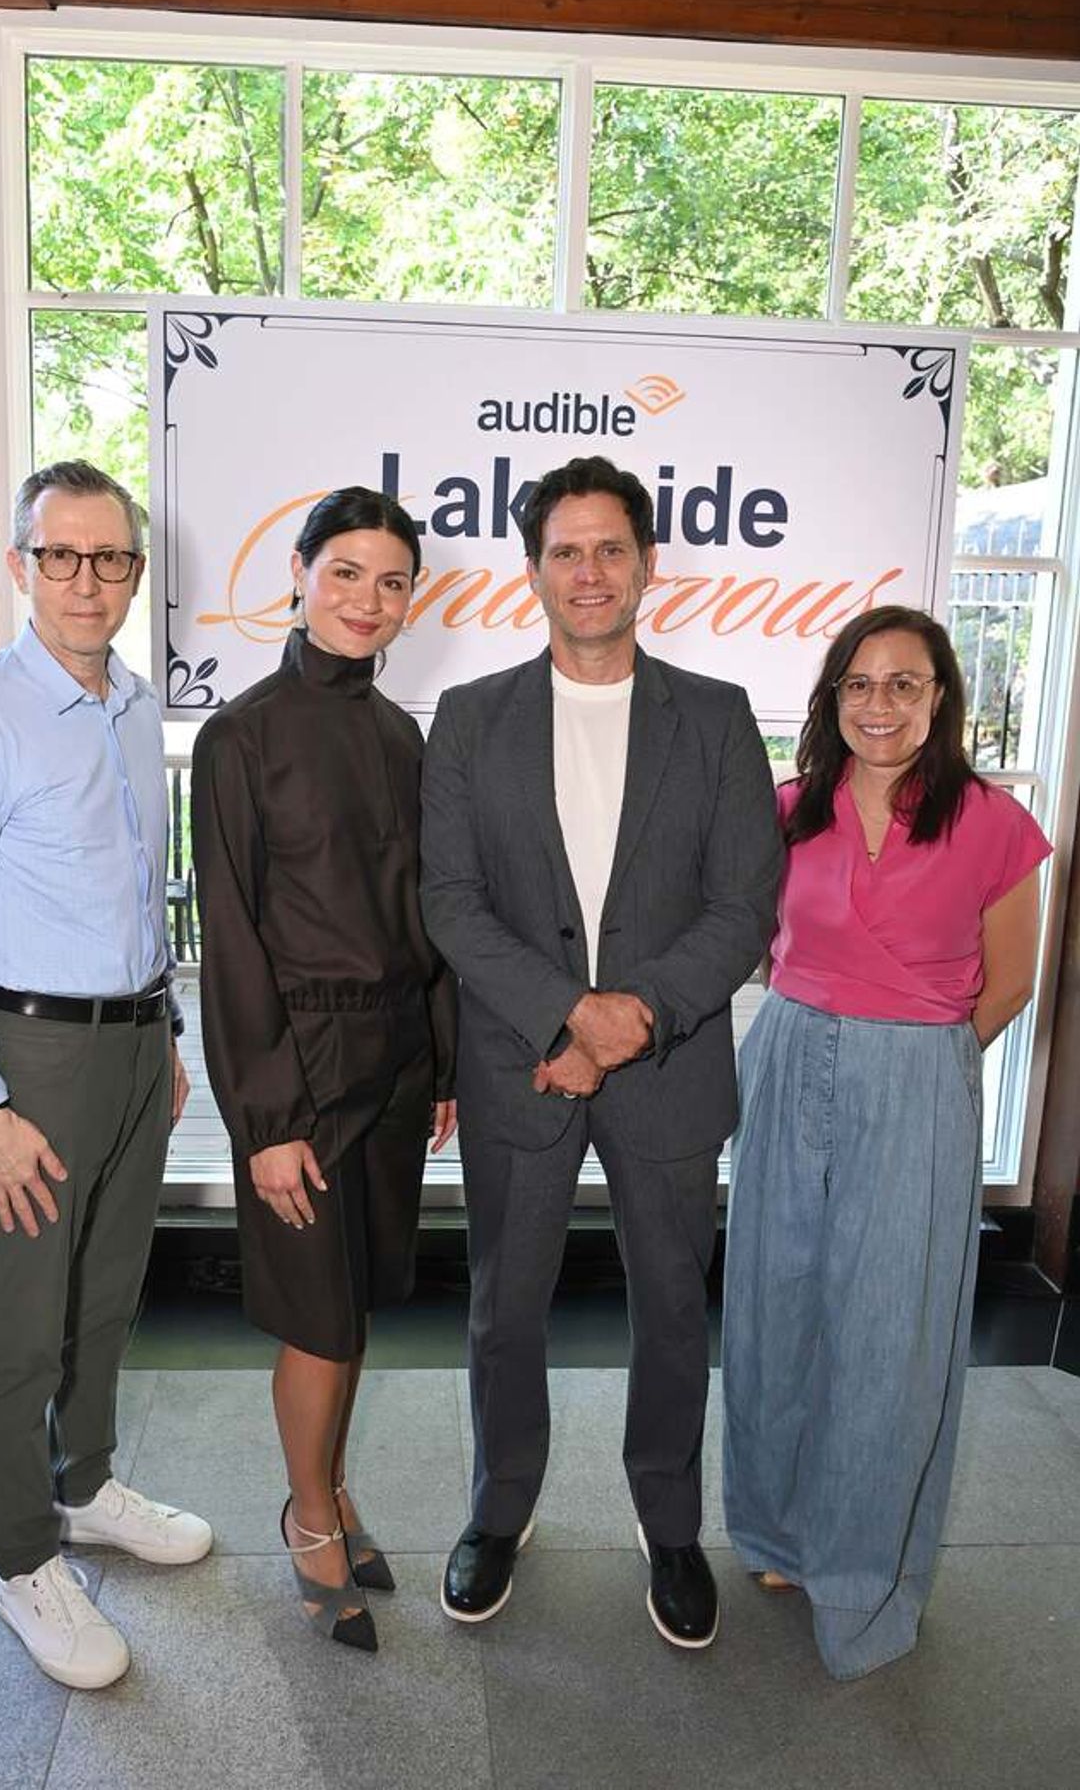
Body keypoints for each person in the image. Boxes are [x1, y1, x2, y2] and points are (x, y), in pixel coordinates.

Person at [420, 455, 781, 1648]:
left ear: (646, 566)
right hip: (523, 1063)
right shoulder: (471, 718)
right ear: (533, 571)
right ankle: (497, 1509)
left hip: (670, 1072)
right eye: (565, 551)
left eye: (610, 549)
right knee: (502, 1311)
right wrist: (574, 1015)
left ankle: (669, 1522)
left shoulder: (718, 715)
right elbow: (452, 902)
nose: (589, 571)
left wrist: (634, 1017)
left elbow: (743, 903)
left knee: (675, 1306)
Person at [0, 460, 213, 1692]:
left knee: (107, 1293)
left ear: (136, 571)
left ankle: (82, 1487)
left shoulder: (136, 706)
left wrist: (170, 1035)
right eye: (63, 556)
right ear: (21, 564)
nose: (89, 581)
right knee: (21, 1327)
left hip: (137, 1043)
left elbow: (142, 893)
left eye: (112, 558)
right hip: (27, 1056)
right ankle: (21, 1558)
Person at [721, 605, 1051, 1680]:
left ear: (941, 699)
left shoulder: (994, 823)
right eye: (859, 685)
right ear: (832, 700)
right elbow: (764, 952)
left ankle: (862, 1566)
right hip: (789, 1057)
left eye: (905, 685)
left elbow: (1009, 983)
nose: (880, 706)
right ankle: (775, 1532)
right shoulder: (783, 811)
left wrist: (918, 1066)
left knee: (888, 1331)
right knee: (775, 1303)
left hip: (919, 1076)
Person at [191, 486, 457, 1655]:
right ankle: (308, 1519)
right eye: (346, 572)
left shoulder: (404, 733)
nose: (368, 599)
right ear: (299, 573)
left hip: (397, 1065)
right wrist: (265, 1119)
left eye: (392, 581)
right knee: (318, 1322)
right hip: (298, 1073)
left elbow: (428, 914)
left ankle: (335, 1490)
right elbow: (232, 936)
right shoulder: (238, 736)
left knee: (352, 1310)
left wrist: (440, 1060)